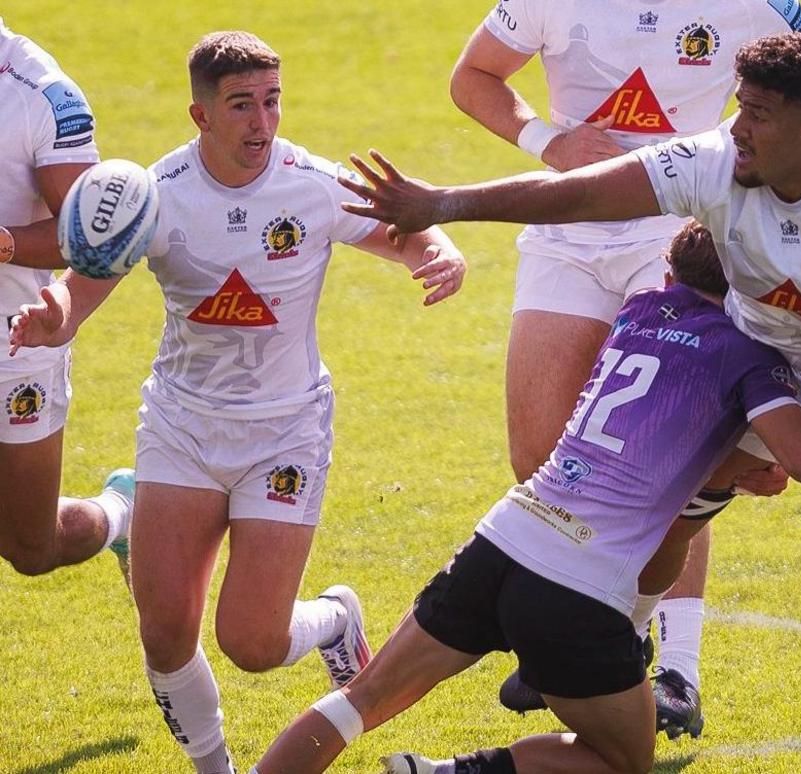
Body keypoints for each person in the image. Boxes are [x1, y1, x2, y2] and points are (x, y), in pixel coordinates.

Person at [337, 33, 801, 774]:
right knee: (661, 512)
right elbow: (585, 192)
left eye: (756, 113)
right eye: (739, 105)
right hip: (761, 352)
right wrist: (447, 203)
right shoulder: (718, 158)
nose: (736, 125)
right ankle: (622, 650)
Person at [250, 220, 801, 774]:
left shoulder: (638, 308)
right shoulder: (750, 357)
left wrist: (733, 466)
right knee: (622, 758)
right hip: (576, 589)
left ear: (669, 271)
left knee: (359, 702)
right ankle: (454, 773)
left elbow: (662, 430)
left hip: (503, 536)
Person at [9, 31, 467, 774]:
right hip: (183, 427)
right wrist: (51, 317)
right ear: (200, 116)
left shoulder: (309, 184)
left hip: (284, 433)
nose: (262, 122)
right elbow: (79, 293)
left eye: (272, 102)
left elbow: (405, 234)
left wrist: (438, 252)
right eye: (242, 105)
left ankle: (332, 621)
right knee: (164, 634)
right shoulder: (155, 197)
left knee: (251, 645)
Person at [449, 0, 801, 730]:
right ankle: (598, 636)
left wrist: (740, 168)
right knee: (538, 454)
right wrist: (547, 140)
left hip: (684, 237)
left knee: (675, 462)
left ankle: (674, 671)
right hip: (569, 231)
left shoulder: (756, 6)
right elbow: (473, 75)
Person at [0, 19, 134, 581]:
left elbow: (90, 235)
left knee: (31, 548)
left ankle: (124, 511)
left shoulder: (41, 95)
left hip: (16, 346)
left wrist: (3, 244)